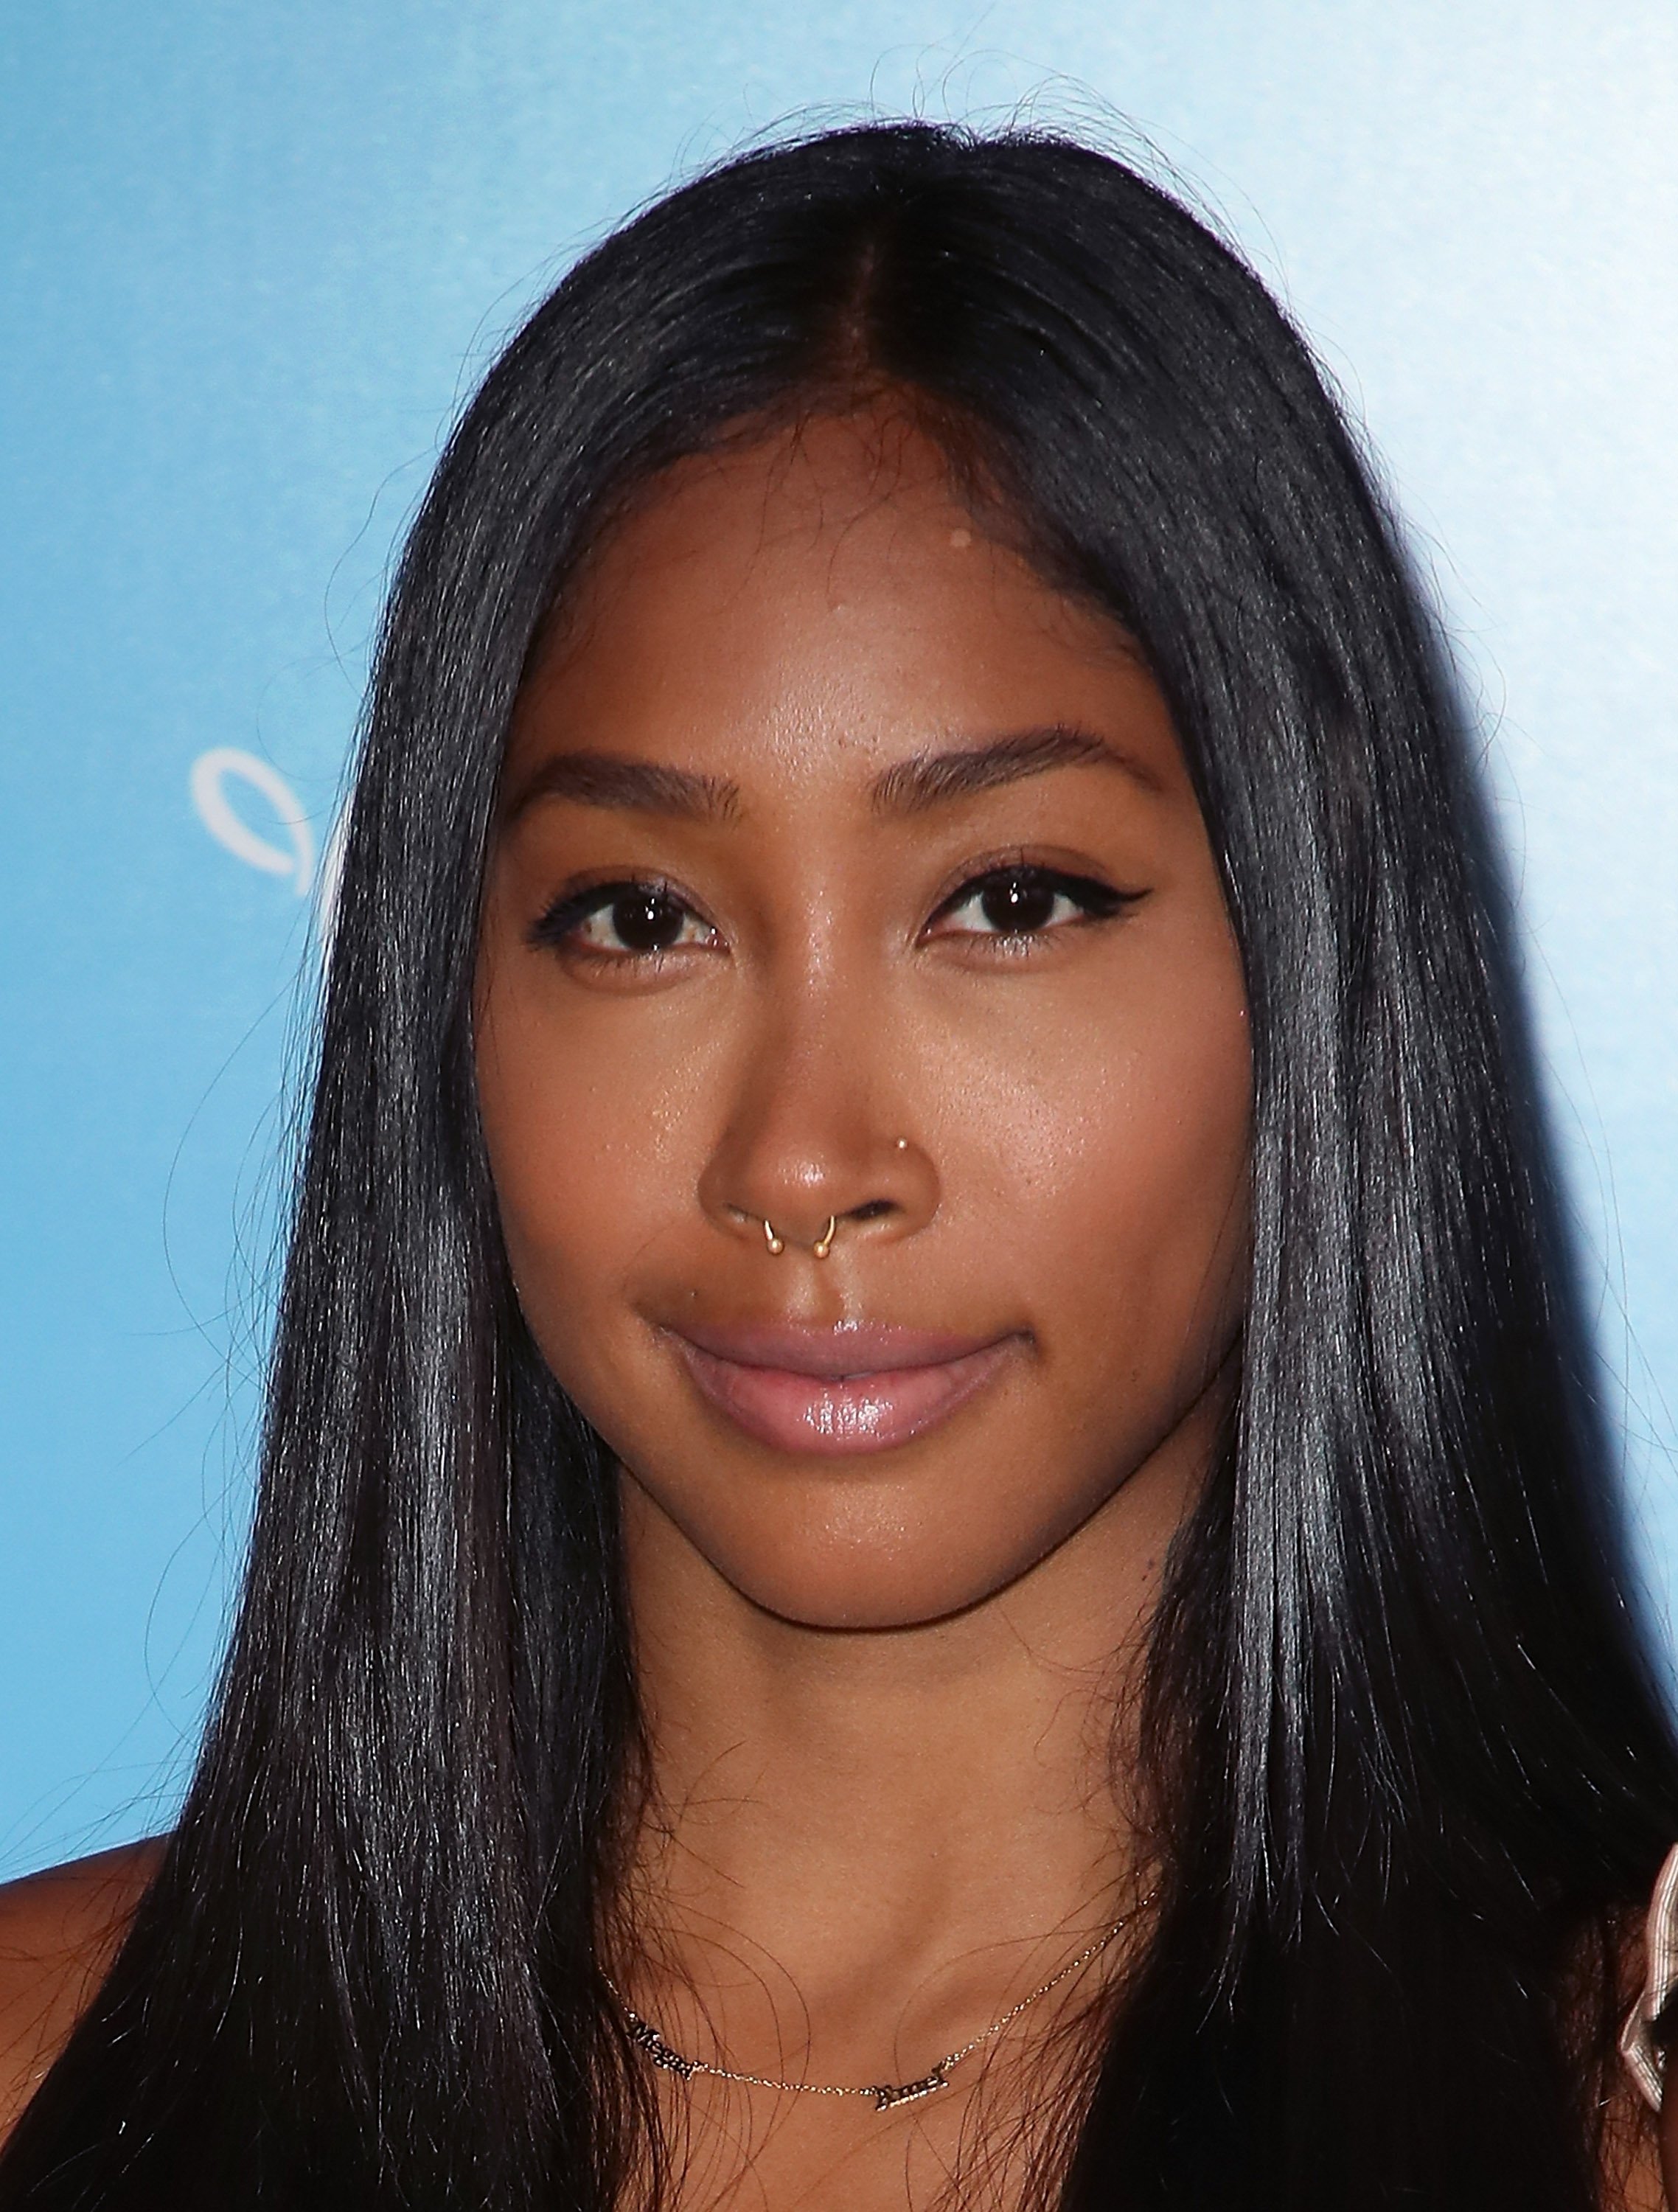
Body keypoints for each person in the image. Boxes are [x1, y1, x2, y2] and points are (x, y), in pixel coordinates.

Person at [0, 119, 1674, 2212]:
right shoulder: (41, 2071)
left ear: (1312, 961)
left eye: (1010, 901)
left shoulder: (1617, 2122)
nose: (801, 1162)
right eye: (640, 918)